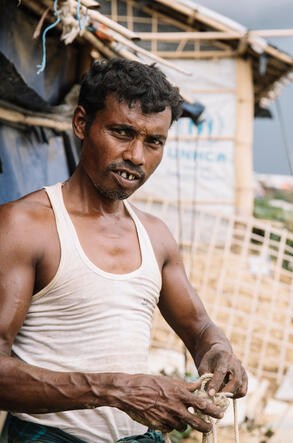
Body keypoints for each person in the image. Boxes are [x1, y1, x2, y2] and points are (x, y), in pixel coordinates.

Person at [0, 58, 247, 442]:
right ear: (81, 123)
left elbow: (200, 329)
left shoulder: (156, 236)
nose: (136, 156)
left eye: (154, 141)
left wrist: (219, 355)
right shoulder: (25, 225)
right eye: (122, 132)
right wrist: (116, 390)